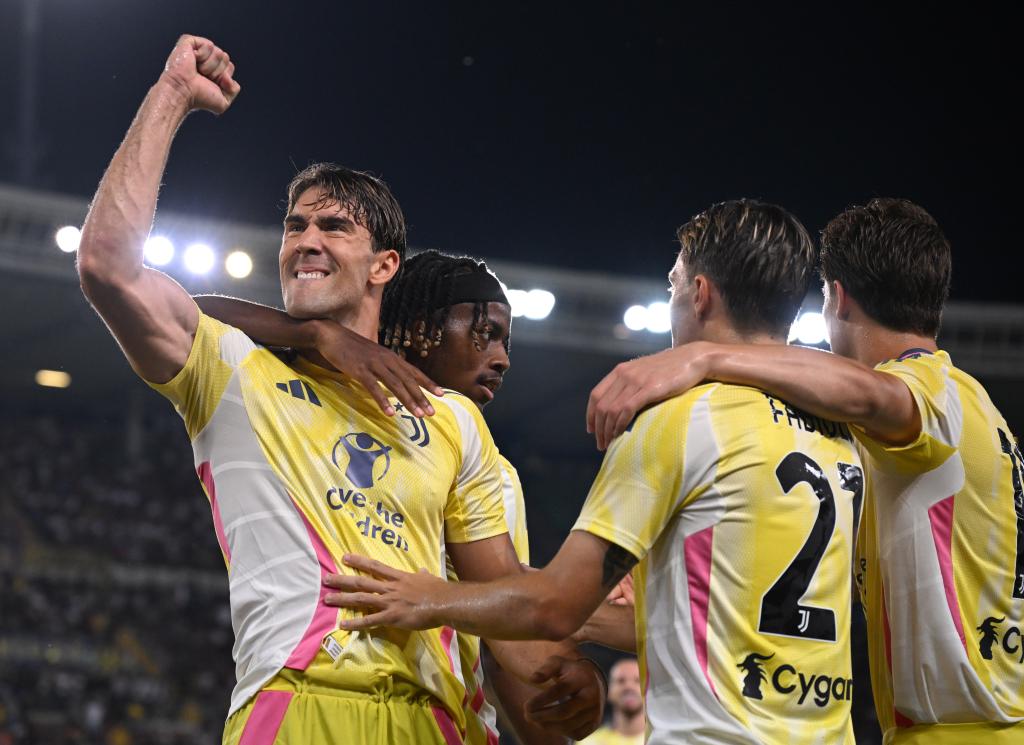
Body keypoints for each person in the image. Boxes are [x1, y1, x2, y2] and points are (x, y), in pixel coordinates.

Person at [76, 34, 603, 744]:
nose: (306, 241)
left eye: (334, 226)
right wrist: (171, 95)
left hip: (434, 721)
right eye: (294, 226)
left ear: (384, 265)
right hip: (298, 704)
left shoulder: (451, 420)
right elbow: (107, 266)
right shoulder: (232, 370)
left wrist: (564, 673)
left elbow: (498, 601)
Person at [323, 200, 863, 744]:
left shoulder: (679, 419)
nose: (503, 358)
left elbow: (555, 606)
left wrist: (433, 597)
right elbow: (709, 617)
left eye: (674, 285)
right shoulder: (845, 435)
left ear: (700, 294)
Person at [583, 197, 1024, 744]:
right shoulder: (962, 413)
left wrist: (703, 356)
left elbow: (873, 394)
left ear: (836, 298)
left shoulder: (932, 392)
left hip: (965, 732)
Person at [195, 249, 579, 743]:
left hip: (441, 722)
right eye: (485, 333)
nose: (502, 359)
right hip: (317, 697)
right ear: (420, 329)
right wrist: (318, 333)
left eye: (505, 341)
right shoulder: (318, 407)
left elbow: (506, 638)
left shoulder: (491, 469)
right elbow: (184, 314)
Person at [577, 658, 644, 745]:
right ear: (608, 691)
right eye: (621, 681)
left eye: (638, 681)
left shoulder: (660, 740)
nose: (629, 686)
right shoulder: (589, 742)